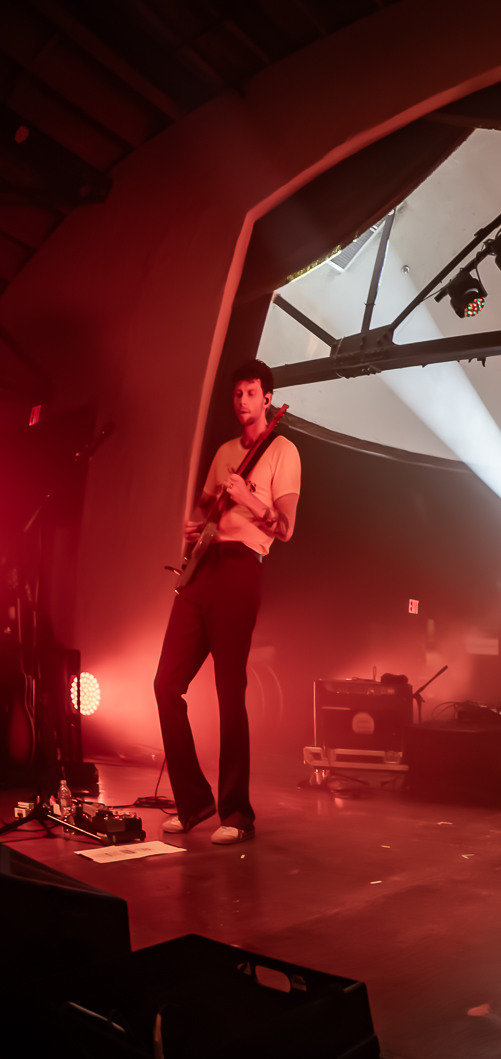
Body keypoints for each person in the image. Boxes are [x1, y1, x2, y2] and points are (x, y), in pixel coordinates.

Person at [156, 360, 300, 845]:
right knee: (165, 684)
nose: (242, 401)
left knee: (228, 691)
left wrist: (252, 499)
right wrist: (194, 526)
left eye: (251, 393)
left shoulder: (283, 451)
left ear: (267, 399)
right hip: (204, 567)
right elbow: (205, 510)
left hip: (241, 568)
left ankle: (237, 814)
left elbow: (285, 528)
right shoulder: (223, 452)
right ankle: (194, 802)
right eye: (237, 393)